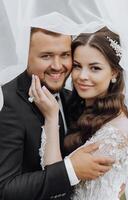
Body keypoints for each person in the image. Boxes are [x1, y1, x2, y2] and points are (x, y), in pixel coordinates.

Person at [0, 15, 114, 199]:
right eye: (46, 56)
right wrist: (71, 169)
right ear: (25, 56)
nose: (57, 66)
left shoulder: (73, 98)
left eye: (65, 55)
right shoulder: (6, 103)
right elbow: (4, 189)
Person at [35, 27, 128, 200]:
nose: (82, 76)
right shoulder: (83, 108)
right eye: (77, 66)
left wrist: (51, 118)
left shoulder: (116, 133)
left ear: (114, 72)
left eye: (94, 68)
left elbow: (55, 181)